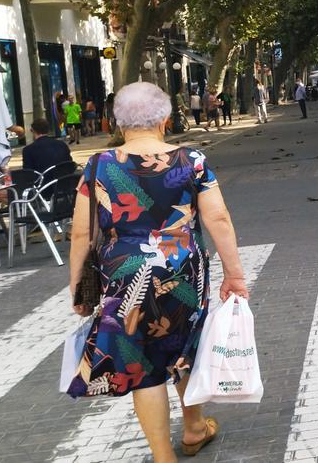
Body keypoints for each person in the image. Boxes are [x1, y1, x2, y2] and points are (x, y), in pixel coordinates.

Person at [65, 81, 248, 462]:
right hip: (182, 268)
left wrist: (77, 288)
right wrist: (235, 274)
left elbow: (82, 231)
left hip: (123, 273)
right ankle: (194, 427)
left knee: (141, 361)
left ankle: (164, 455)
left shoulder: (99, 165)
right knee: (182, 345)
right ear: (164, 120)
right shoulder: (191, 161)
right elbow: (217, 217)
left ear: (117, 122)